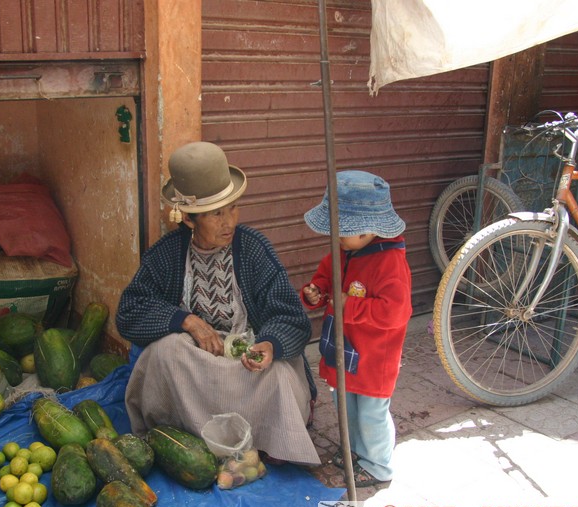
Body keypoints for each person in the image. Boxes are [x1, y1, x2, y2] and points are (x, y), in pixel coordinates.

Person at [116, 141, 320, 465]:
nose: (229, 222)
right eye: (216, 214)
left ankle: (251, 435)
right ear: (189, 220)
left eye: (233, 208)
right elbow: (128, 313)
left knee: (280, 375)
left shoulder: (253, 248)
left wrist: (270, 345)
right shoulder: (168, 253)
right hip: (198, 365)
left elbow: (292, 317)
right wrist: (186, 321)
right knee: (163, 355)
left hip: (247, 364)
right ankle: (200, 437)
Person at [301, 170, 412, 487]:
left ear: (368, 231)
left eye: (343, 232)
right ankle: (354, 453)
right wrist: (315, 293)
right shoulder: (343, 252)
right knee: (345, 406)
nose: (336, 239)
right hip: (344, 348)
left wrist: (348, 303)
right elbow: (325, 281)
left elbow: (395, 312)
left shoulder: (390, 263)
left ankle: (378, 465)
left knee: (370, 414)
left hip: (374, 359)